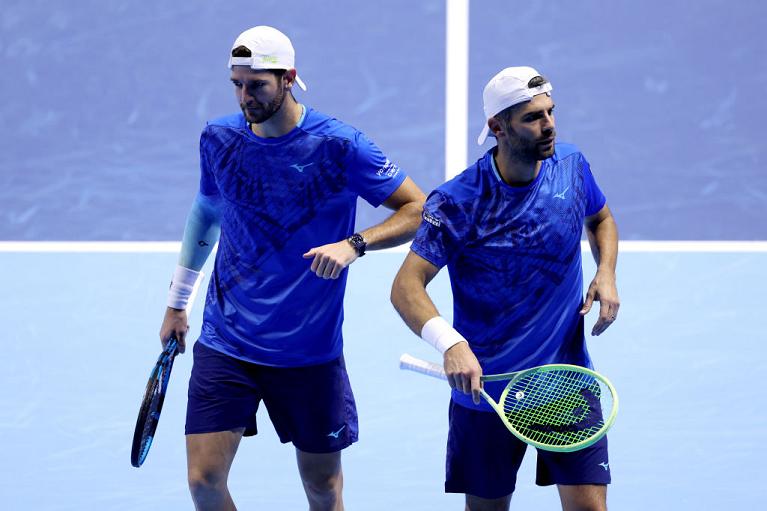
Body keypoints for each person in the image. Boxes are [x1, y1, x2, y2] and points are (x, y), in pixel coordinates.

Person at [159, 26, 425, 511]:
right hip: (229, 341)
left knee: (323, 488)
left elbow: (417, 208)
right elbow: (207, 212)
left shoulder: (340, 145)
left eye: (256, 84)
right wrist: (178, 304)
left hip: (308, 352)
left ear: (289, 79)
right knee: (204, 481)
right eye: (237, 84)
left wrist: (355, 243)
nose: (245, 97)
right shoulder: (220, 138)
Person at [390, 66, 620, 511]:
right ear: (498, 127)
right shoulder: (458, 202)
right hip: (489, 396)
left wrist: (605, 271)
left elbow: (602, 218)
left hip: (566, 382)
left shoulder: (570, 167)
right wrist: (451, 344)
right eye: (534, 117)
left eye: (551, 112)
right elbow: (406, 286)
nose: (549, 124)